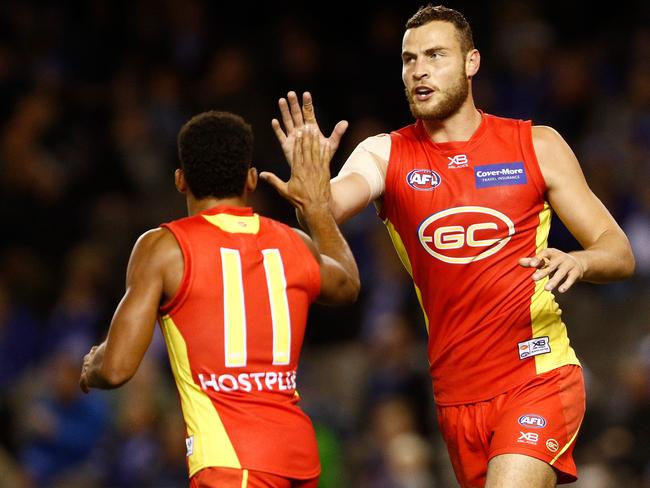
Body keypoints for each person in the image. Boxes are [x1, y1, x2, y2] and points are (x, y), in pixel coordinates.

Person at [264, 5, 635, 487]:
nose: (418, 69)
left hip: (538, 373)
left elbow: (618, 251)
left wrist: (579, 260)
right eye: (408, 59)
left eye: (436, 55)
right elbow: (326, 209)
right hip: (457, 396)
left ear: (471, 62)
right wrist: (311, 185)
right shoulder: (385, 152)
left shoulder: (536, 145)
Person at [79, 111, 360, 488]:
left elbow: (116, 368)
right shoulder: (295, 243)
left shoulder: (164, 248)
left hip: (232, 463)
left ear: (181, 180)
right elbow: (347, 284)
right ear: (249, 178)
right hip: (298, 461)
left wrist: (91, 366)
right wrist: (317, 208)